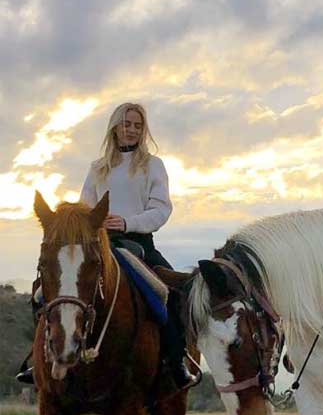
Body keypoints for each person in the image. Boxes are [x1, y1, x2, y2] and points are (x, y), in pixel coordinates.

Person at [17, 102, 197, 390]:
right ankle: (40, 358)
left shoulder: (153, 165)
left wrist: (127, 223)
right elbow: (86, 206)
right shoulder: (98, 168)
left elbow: (161, 209)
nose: (132, 130)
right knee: (42, 293)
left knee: (167, 295)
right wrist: (89, 224)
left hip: (138, 243)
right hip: (98, 244)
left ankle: (176, 362)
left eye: (138, 126)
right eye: (127, 124)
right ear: (115, 127)